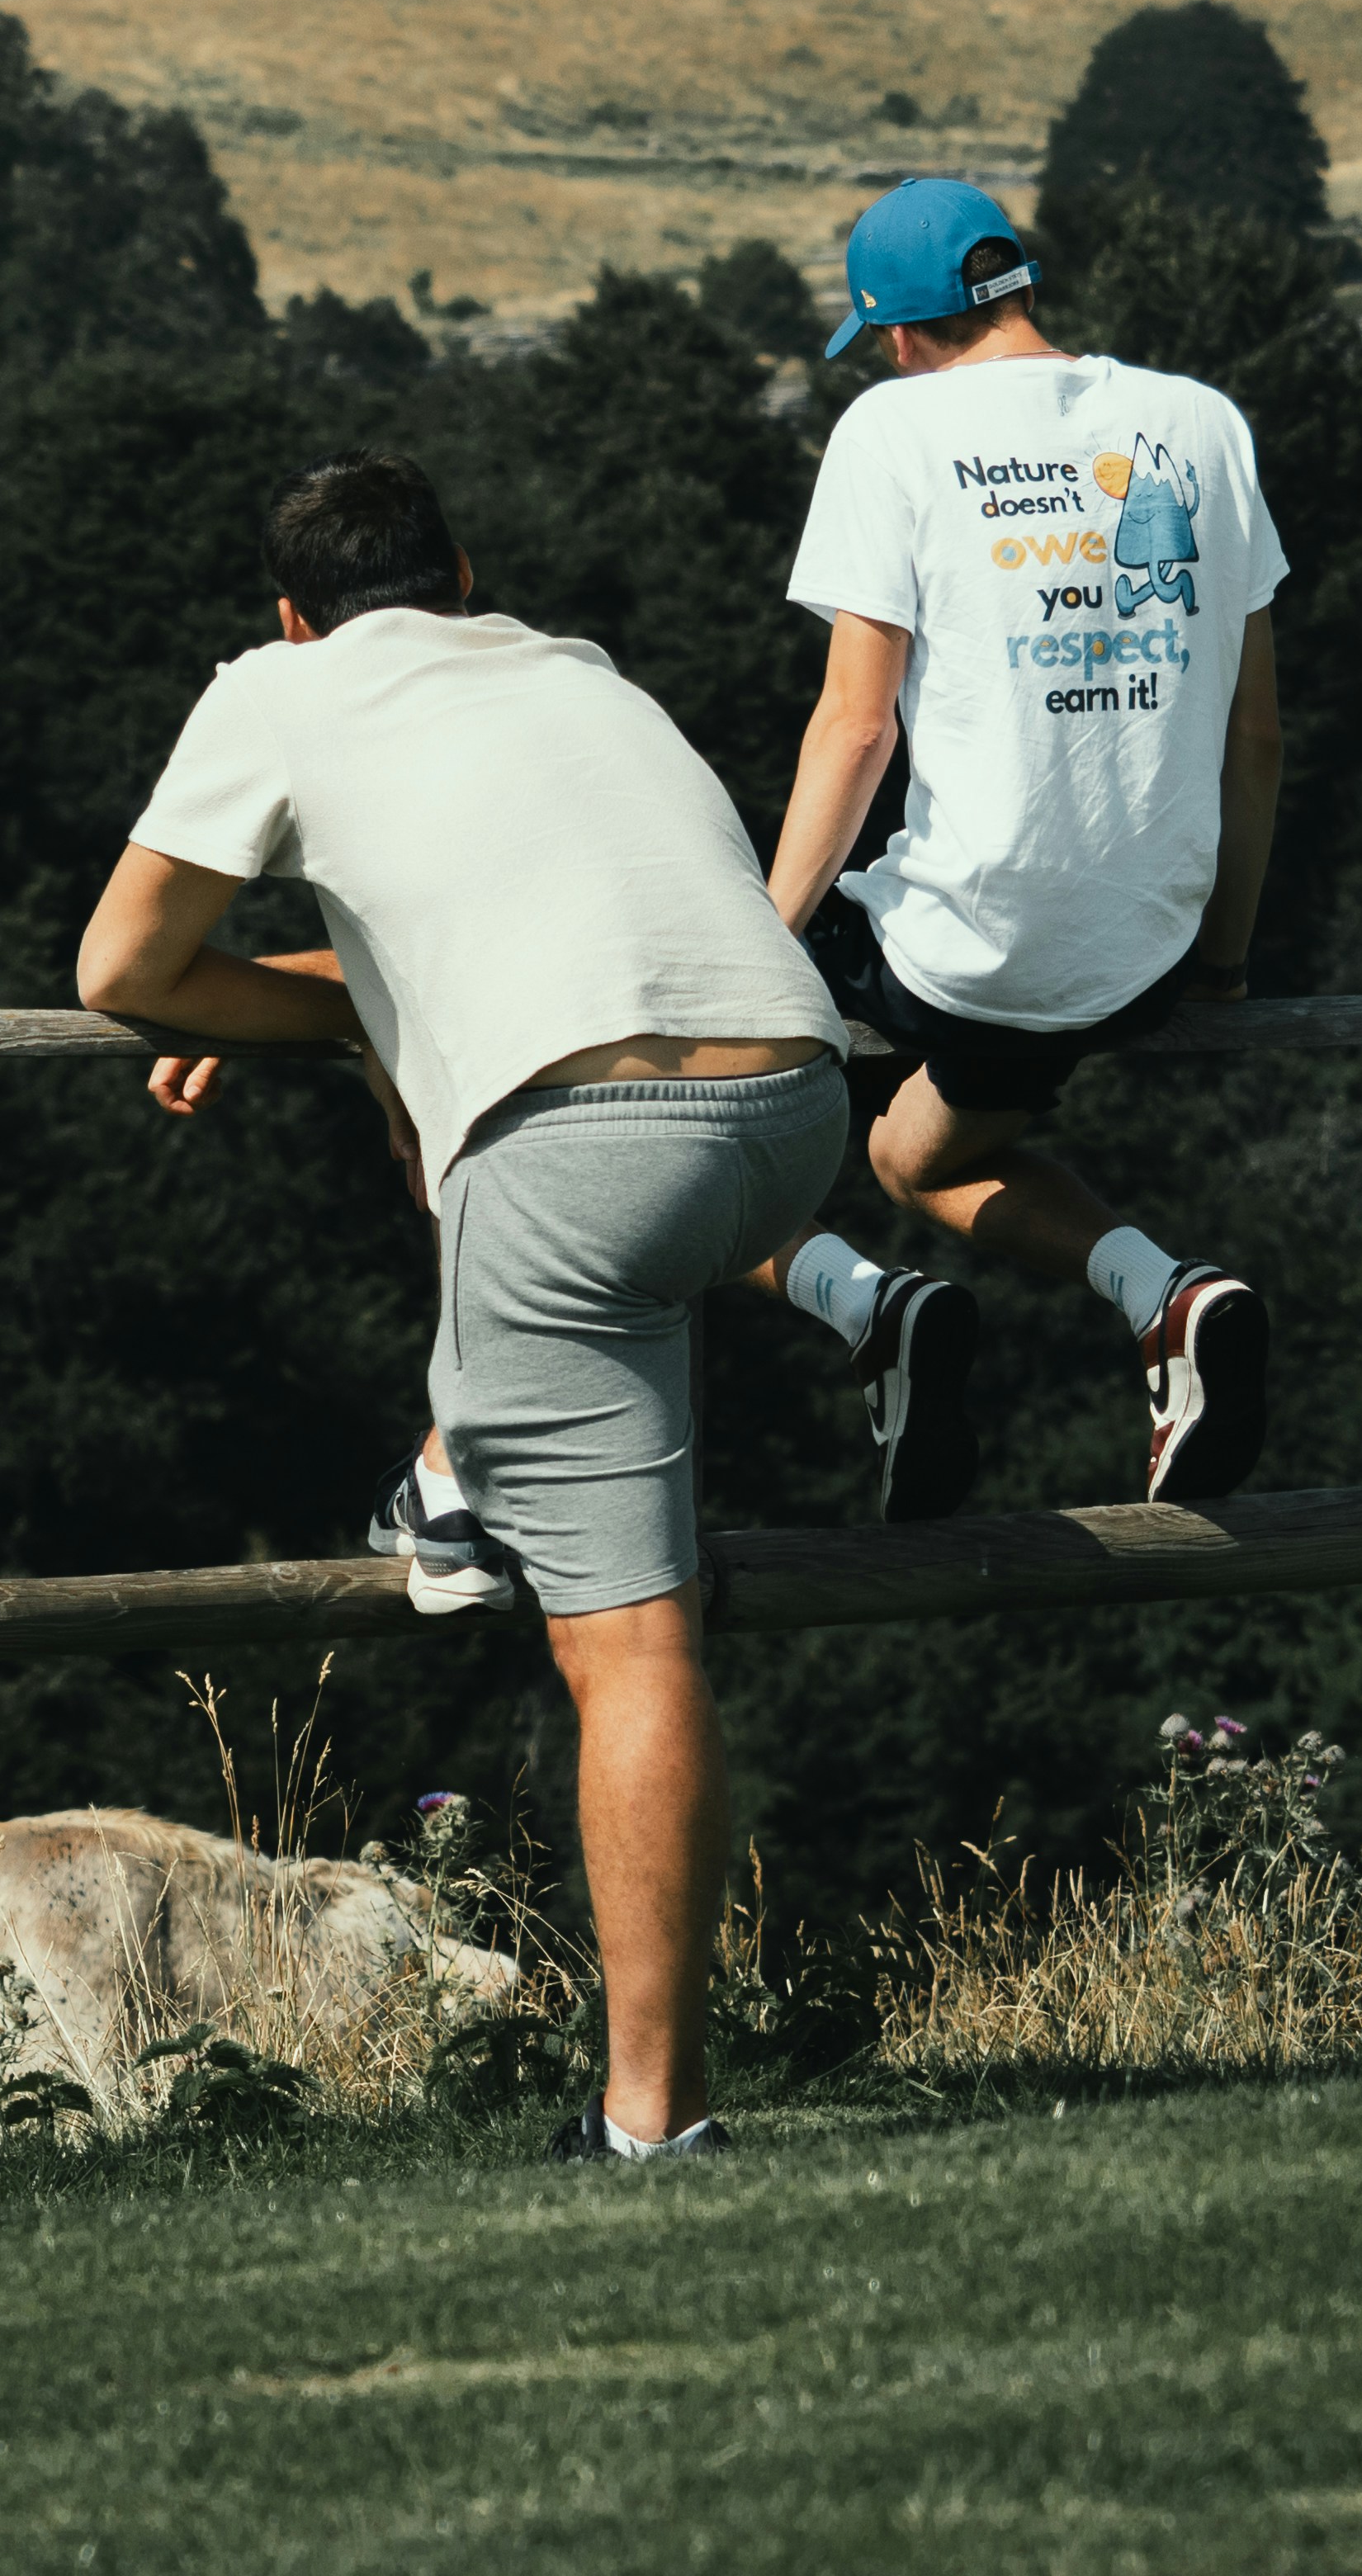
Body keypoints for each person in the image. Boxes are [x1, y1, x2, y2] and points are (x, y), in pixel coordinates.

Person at [72, 450, 844, 2164]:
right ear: (465, 572)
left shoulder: (273, 689)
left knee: (634, 1646)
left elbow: (118, 968)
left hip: (578, 1145)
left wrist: (291, 1001)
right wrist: (350, 993)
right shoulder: (572, 666)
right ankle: (463, 1475)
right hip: (796, 1099)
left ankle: (655, 2115)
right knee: (587, 1369)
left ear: (291, 613)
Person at [757, 176, 1289, 1512]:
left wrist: (752, 945)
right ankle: (1170, 1299)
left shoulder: (893, 429)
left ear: (896, 330)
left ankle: (892, 1308)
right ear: (1021, 287)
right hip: (1156, 937)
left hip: (984, 949)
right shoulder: (1199, 423)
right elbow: (1258, 735)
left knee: (788, 1125)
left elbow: (856, 732)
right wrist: (1218, 963)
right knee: (924, 1134)